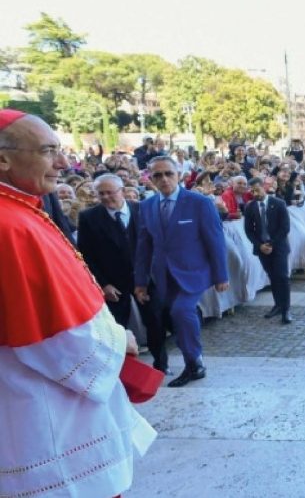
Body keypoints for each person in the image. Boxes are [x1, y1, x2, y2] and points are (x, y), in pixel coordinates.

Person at [0, 109, 156, 497]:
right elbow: (47, 334)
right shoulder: (10, 225)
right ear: (3, 158)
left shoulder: (21, 209)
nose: (63, 163)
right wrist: (119, 341)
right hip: (43, 409)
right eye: (47, 151)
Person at [134, 155, 229, 387]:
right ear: (150, 179)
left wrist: (221, 275)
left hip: (195, 271)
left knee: (181, 311)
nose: (164, 179)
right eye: (158, 175)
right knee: (178, 317)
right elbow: (144, 247)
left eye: (169, 173)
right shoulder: (146, 206)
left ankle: (194, 364)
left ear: (179, 175)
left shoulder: (199, 203)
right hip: (164, 275)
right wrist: (141, 282)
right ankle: (194, 358)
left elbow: (215, 240)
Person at [77, 174, 144, 330]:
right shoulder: (88, 217)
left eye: (110, 192)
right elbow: (86, 255)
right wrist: (103, 284)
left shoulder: (142, 209)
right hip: (113, 284)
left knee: (156, 323)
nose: (106, 197)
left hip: (145, 280)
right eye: (101, 193)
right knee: (117, 327)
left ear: (122, 191)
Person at [244, 177, 293, 324]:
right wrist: (260, 245)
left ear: (264, 187)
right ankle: (278, 304)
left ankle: (286, 309)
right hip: (262, 248)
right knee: (272, 276)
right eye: (252, 191)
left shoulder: (278, 203)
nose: (255, 194)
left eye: (257, 190)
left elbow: (285, 227)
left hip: (278, 246)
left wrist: (271, 244)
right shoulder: (250, 207)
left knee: (282, 277)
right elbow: (249, 230)